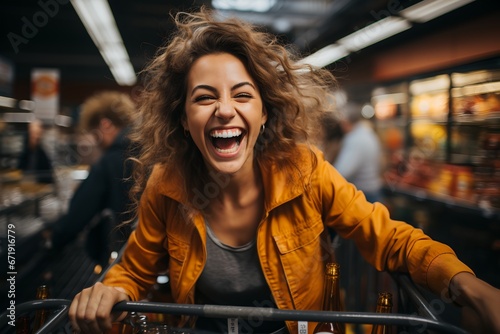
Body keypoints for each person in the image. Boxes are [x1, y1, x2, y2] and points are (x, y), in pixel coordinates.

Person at [68, 8, 500, 334]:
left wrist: (461, 281)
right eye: (203, 98)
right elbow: (136, 268)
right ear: (183, 119)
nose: (224, 110)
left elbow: (387, 237)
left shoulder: (305, 171)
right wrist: (112, 289)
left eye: (242, 95)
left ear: (261, 113)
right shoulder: (168, 185)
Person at [46, 91, 135, 265]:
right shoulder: (146, 150)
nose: (97, 142)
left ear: (105, 124)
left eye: (95, 134)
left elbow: (78, 214)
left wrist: (53, 240)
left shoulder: (110, 161)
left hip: (124, 260)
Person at [333, 102, 383, 204]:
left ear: (346, 122)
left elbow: (342, 172)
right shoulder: (367, 133)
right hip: (373, 191)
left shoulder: (355, 139)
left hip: (365, 194)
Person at [17, 119, 54, 184]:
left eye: (38, 134)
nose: (36, 137)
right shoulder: (23, 152)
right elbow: (19, 171)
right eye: (33, 134)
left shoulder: (43, 154)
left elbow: (48, 176)